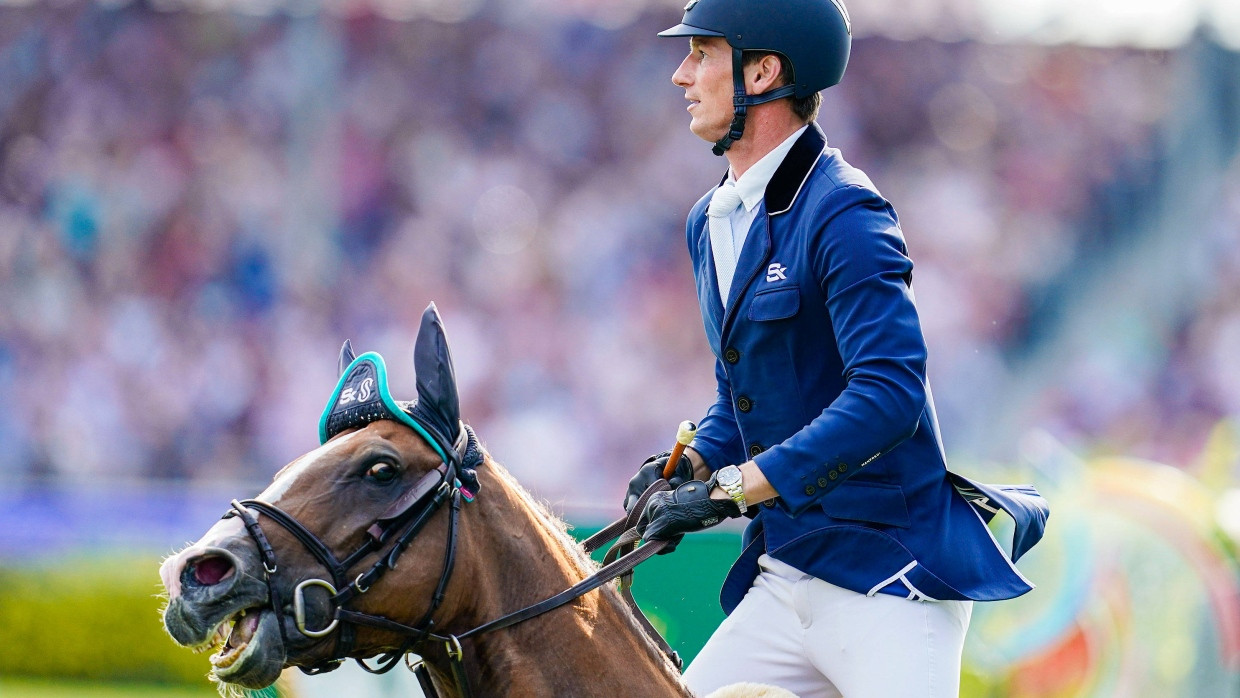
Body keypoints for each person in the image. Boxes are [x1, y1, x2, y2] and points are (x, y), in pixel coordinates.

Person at [625, 1, 1050, 696]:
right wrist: (691, 463)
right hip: (787, 573)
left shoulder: (846, 211)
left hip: (888, 580)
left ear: (762, 73)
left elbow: (889, 397)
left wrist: (731, 490)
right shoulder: (709, 220)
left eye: (702, 55)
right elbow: (743, 400)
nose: (681, 75)